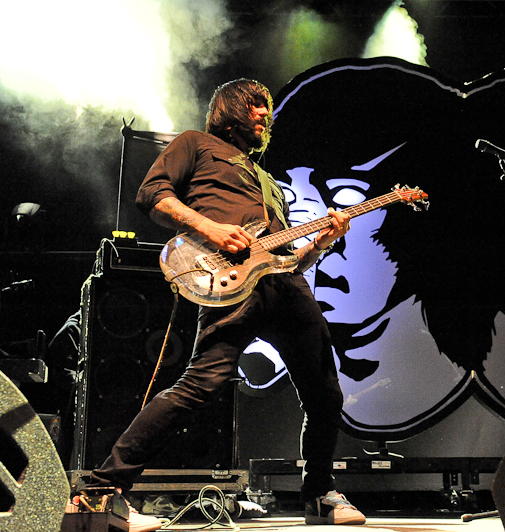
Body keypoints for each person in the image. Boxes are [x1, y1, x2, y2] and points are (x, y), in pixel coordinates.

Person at [88, 78, 365, 529]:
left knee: (326, 394)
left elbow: (285, 255)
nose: (264, 113)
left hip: (285, 284)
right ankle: (103, 489)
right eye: (255, 105)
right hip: (227, 278)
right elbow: (151, 194)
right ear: (230, 109)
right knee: (201, 384)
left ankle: (319, 492)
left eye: (267, 108)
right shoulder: (195, 145)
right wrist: (211, 229)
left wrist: (320, 244)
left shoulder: (268, 182)